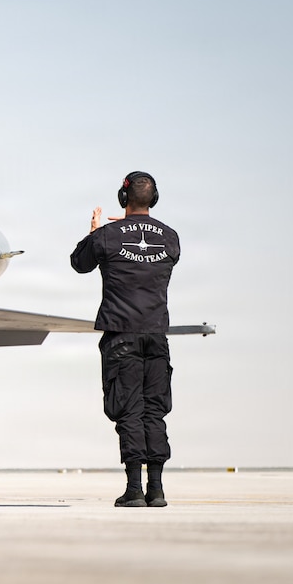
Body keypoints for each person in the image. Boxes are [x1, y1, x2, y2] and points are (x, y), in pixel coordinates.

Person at [70, 171, 180, 508]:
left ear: (123, 197)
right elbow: (164, 257)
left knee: (129, 411)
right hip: (157, 336)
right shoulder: (171, 238)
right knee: (154, 411)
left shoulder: (106, 236)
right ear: (155, 198)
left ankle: (134, 489)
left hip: (122, 336)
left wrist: (98, 234)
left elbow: (79, 263)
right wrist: (135, 231)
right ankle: (157, 489)